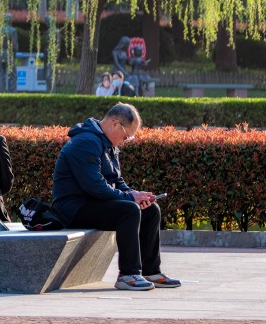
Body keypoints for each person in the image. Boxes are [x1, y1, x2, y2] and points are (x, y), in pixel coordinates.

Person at [51, 103, 180, 291]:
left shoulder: (108, 144)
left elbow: (116, 181)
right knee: (128, 210)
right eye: (127, 136)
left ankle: (150, 270)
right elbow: (94, 186)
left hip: (93, 202)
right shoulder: (86, 142)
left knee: (151, 210)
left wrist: (136, 195)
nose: (125, 141)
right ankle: (128, 274)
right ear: (115, 124)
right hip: (73, 207)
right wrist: (129, 199)